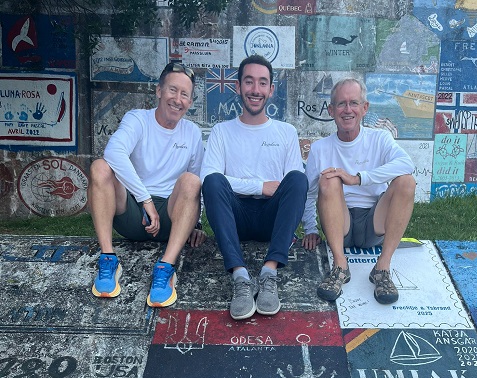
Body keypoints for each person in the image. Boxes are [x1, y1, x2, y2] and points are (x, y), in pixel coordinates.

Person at [201, 55, 308, 320]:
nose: (255, 90)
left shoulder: (286, 132)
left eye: (262, 83)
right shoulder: (221, 131)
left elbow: (293, 188)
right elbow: (210, 177)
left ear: (271, 90)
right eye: (249, 82)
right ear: (238, 87)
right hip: (235, 216)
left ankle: (269, 272)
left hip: (272, 218)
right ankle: (240, 278)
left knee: (298, 178)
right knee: (213, 181)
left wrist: (312, 227)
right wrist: (260, 186)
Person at [88, 62, 204, 307]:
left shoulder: (192, 132)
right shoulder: (138, 119)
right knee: (100, 167)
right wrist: (145, 200)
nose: (178, 99)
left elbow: (195, 183)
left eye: (185, 94)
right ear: (159, 91)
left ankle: (166, 268)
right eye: (173, 90)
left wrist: (197, 223)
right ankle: (108, 259)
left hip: (170, 218)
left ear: (190, 102)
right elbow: (114, 152)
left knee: (191, 180)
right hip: (133, 211)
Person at [303, 76, 416, 304]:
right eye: (341, 104)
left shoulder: (380, 138)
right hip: (339, 225)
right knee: (329, 179)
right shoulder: (320, 148)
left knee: (406, 182)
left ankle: (382, 267)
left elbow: (407, 164)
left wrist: (358, 178)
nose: (348, 110)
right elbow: (309, 193)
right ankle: (340, 266)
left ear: (365, 108)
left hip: (375, 223)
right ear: (331, 110)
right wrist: (310, 228)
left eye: (354, 103)